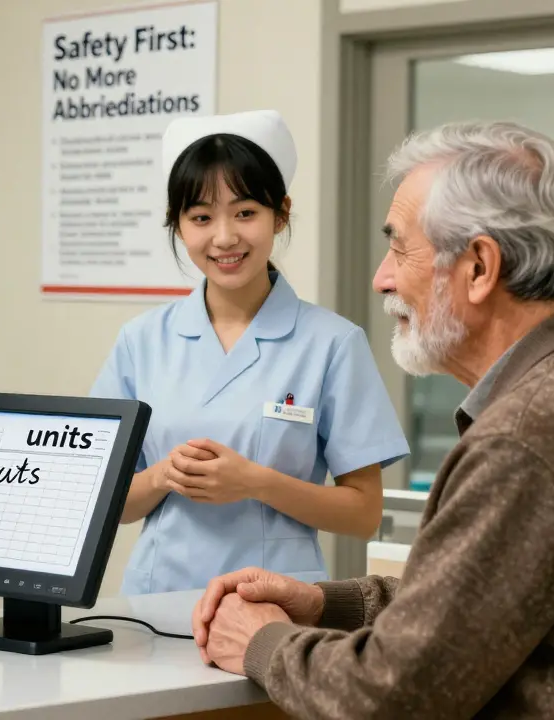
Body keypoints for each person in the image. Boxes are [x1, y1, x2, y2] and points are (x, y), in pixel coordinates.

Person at [192, 121, 554, 718]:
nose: (381, 276)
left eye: (399, 247)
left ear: (479, 268)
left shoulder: (531, 435)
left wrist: (260, 643)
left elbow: (389, 697)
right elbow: (491, 602)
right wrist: (327, 603)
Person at [90, 110, 409, 596]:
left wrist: (255, 482)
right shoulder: (141, 340)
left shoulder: (332, 343)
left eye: (245, 213)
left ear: (280, 213)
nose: (224, 238)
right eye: (200, 217)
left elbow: (363, 514)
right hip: (157, 599)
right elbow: (105, 503)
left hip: (276, 605)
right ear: (178, 225)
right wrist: (160, 477)